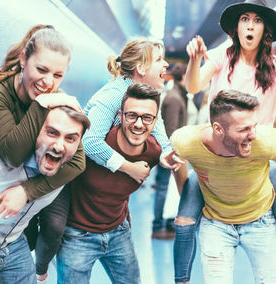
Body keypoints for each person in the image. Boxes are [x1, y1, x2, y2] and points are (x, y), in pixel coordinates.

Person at [176, 0, 276, 283]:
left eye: (257, 20)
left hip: (256, 154)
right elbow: (193, 86)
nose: (250, 25)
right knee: (184, 220)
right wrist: (195, 60)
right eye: (245, 19)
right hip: (216, 154)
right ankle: (180, 279)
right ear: (238, 26)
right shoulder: (222, 56)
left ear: (264, 28)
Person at [0, 24, 85, 283]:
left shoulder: (53, 95)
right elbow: (12, 154)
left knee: (44, 227)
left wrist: (26, 191)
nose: (48, 82)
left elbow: (78, 161)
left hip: (14, 189)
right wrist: (43, 104)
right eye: (41, 69)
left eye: (58, 75)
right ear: (23, 59)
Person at [171, 90, 276, 283]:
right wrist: (186, 194)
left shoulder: (265, 141)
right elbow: (177, 159)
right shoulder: (187, 141)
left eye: (254, 126)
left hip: (260, 220)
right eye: (243, 129)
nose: (253, 135)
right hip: (216, 222)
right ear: (218, 129)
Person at [0, 106, 90, 284]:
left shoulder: (67, 167)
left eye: (70, 138)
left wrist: (26, 191)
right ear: (33, 133)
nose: (60, 146)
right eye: (52, 133)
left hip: (15, 245)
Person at [56, 84, 162, 284]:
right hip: (77, 235)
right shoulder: (95, 144)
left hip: (118, 232)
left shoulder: (153, 153)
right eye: (131, 115)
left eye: (147, 117)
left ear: (155, 122)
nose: (139, 124)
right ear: (120, 116)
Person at [82, 37, 183, 185]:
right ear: (141, 68)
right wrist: (129, 168)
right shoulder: (115, 95)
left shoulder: (147, 98)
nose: (166, 64)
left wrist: (166, 153)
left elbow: (159, 131)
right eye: (159, 59)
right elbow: (89, 142)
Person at [152, 62, 188, 240]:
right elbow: (172, 130)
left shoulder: (177, 95)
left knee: (166, 188)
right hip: (169, 152)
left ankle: (163, 223)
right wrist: (173, 154)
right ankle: (158, 226)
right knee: (163, 188)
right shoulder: (175, 98)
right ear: (183, 78)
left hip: (171, 151)